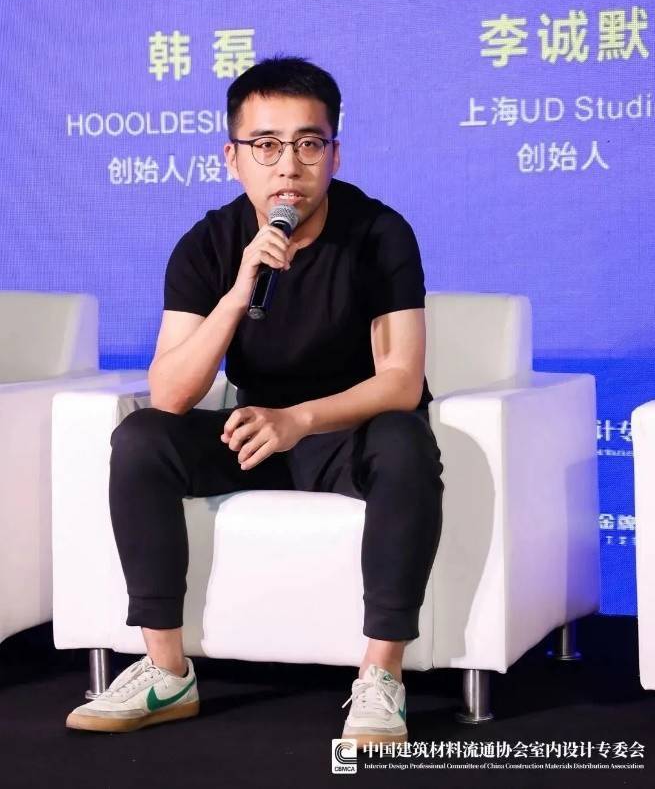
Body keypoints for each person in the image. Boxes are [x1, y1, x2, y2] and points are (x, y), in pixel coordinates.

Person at [65, 56, 444, 745]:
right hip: (254, 432)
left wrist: (299, 420)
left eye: (309, 144)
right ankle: (165, 670)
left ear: (334, 154)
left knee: (405, 438)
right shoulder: (207, 244)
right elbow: (169, 392)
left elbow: (400, 380)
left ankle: (380, 675)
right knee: (141, 437)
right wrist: (238, 293)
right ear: (231, 157)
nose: (288, 166)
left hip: (342, 432)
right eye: (266, 145)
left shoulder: (380, 233)